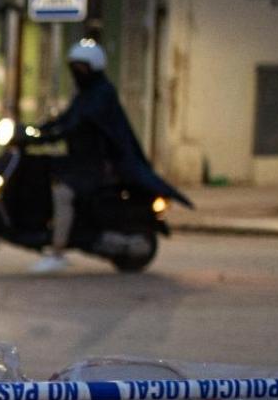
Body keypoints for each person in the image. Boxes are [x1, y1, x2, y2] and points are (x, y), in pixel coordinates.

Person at [27, 38, 187, 274]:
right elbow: (66, 119)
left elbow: (78, 123)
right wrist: (38, 130)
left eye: (81, 68)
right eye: (74, 68)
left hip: (97, 167)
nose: (76, 73)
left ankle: (58, 251)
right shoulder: (85, 93)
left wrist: (53, 134)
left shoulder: (102, 94)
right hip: (80, 162)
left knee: (62, 193)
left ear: (92, 68)